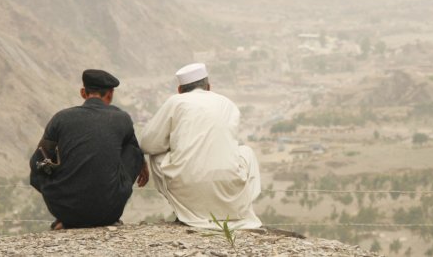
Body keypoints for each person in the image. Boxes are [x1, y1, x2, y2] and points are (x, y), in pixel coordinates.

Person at [140, 63, 262, 229]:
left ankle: (184, 211)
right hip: (228, 185)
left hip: (186, 184)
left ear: (180, 90)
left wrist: (173, 145)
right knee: (246, 152)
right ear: (209, 87)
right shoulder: (227, 103)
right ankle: (236, 210)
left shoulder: (176, 101)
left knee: (156, 155)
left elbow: (148, 144)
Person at [29, 69, 149, 229]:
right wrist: (142, 163)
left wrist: (51, 188)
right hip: (109, 212)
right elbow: (134, 153)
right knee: (132, 150)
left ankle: (68, 218)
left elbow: (37, 161)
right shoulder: (121, 118)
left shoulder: (61, 118)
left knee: (40, 162)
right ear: (110, 94)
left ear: (83, 92)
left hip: (65, 211)